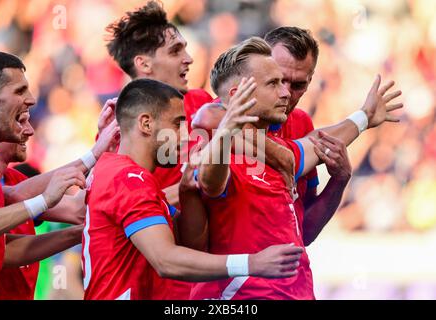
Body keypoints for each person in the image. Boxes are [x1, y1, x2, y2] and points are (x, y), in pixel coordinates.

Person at [186, 37, 402, 299]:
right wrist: (227, 129)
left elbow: (316, 148)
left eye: (297, 84)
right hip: (241, 297)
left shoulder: (285, 145)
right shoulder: (213, 142)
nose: (286, 93)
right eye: (274, 83)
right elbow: (210, 181)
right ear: (238, 95)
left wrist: (363, 119)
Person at [81, 78, 304, 300]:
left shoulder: (123, 174)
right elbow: (165, 260)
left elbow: (191, 243)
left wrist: (187, 194)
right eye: (177, 123)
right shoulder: (128, 179)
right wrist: (251, 263)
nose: (185, 135)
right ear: (146, 124)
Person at [0, 50, 86, 299]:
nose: (29, 130)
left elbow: (7, 249)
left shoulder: (6, 181)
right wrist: (44, 200)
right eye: (20, 92)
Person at [105, 0, 214, 206]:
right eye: (175, 51)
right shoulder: (117, 126)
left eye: (185, 49)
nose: (189, 59)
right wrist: (202, 176)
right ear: (144, 64)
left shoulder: (201, 101)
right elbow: (128, 204)